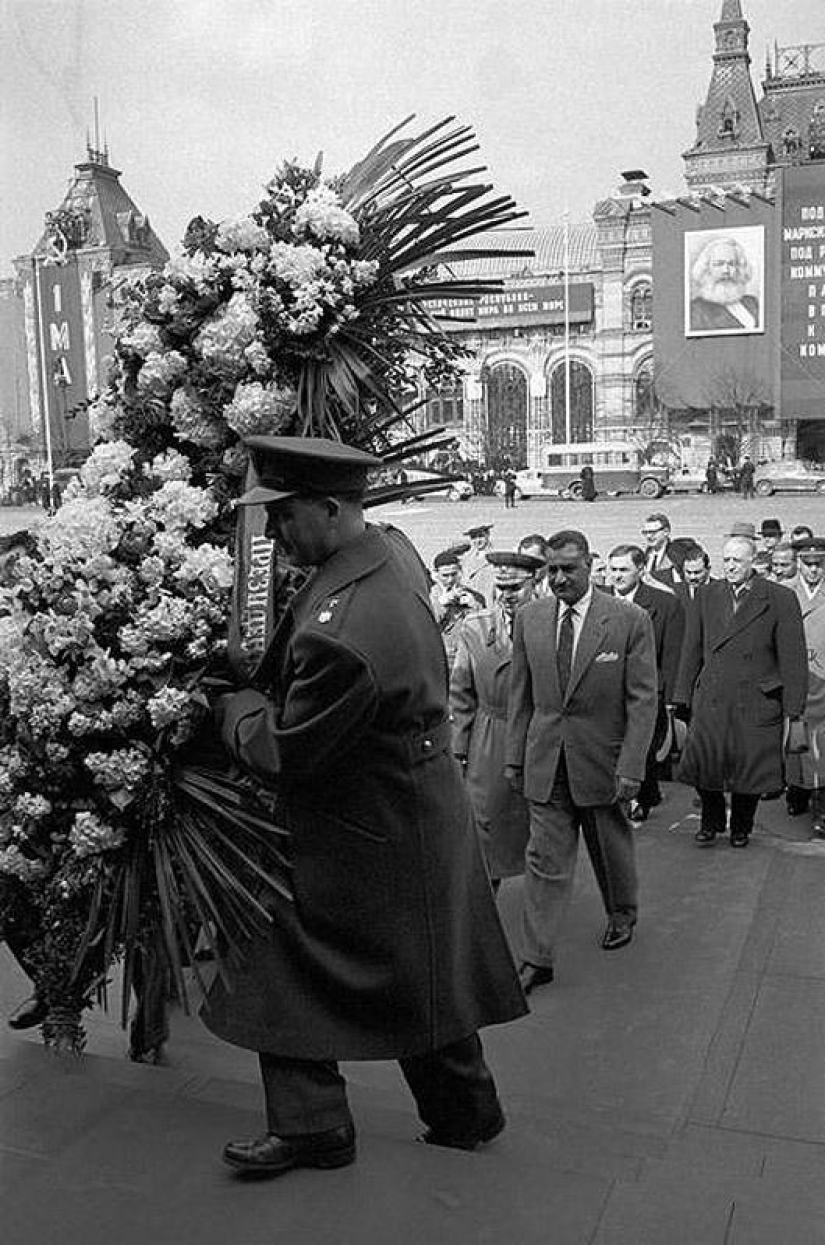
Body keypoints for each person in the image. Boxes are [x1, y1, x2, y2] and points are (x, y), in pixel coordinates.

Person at [206, 435, 527, 1178]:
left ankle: (315, 1125)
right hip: (408, 807)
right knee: (421, 969)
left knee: (277, 951)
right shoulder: (387, 552)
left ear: (328, 508)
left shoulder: (344, 631)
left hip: (366, 822)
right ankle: (462, 1114)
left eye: (284, 515)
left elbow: (287, 752)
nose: (275, 531)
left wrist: (235, 703)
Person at [505, 529, 657, 991]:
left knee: (610, 849)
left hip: (603, 762)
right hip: (546, 759)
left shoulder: (629, 620)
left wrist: (632, 765)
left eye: (568, 569)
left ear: (590, 565)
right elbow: (520, 695)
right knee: (543, 860)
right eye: (551, 570)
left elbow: (643, 700)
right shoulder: (530, 618)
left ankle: (621, 912)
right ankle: (537, 956)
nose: (558, 579)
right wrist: (514, 758)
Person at [673, 535, 808, 849]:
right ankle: (711, 821)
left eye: (737, 560)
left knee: (750, 770)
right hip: (713, 696)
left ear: (753, 563)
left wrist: (794, 709)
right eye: (726, 560)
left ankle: (741, 827)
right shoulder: (707, 595)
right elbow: (691, 647)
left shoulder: (779, 598)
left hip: (756, 698)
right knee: (704, 765)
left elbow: (792, 657)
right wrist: (681, 697)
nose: (730, 566)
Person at [450, 550, 544, 888]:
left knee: (542, 831)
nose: (506, 595)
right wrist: (459, 750)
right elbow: (461, 693)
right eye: (501, 588)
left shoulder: (553, 624)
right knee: (486, 826)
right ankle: (485, 901)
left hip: (538, 736)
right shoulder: (475, 627)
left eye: (515, 588)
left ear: (534, 584)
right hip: (489, 740)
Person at [607, 544, 685, 823]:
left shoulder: (665, 604)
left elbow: (673, 655)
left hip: (647, 690)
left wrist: (671, 698)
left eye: (623, 570)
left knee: (643, 747)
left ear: (641, 570)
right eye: (613, 569)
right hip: (606, 690)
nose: (617, 576)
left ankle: (639, 798)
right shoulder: (597, 600)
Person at [785, 536, 825, 826]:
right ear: (798, 563)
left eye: (819, 564)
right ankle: (796, 789)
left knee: (820, 742)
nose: (813, 570)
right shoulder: (784, 592)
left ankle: (820, 805)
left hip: (821, 677)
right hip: (792, 674)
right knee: (794, 735)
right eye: (808, 563)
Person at [688, 235, 760, 333]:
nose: (726, 270)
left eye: (731, 264)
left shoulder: (752, 302)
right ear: (706, 269)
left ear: (739, 269)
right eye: (719, 264)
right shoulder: (695, 310)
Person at [429, 550, 486, 669]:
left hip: (468, 656)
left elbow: (485, 629)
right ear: (436, 573)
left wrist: (475, 607)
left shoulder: (474, 596)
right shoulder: (428, 595)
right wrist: (441, 604)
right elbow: (425, 626)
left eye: (453, 574)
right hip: (440, 658)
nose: (450, 580)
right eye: (445, 575)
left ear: (460, 571)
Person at [640, 512, 682, 588]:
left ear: (666, 532)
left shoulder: (676, 556)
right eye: (645, 532)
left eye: (653, 532)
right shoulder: (644, 556)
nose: (648, 536)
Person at [462, 523, 496, 604]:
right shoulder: (466, 559)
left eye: (481, 536)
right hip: (470, 603)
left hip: (488, 602)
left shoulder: (494, 557)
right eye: (474, 537)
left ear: (487, 535)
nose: (477, 541)